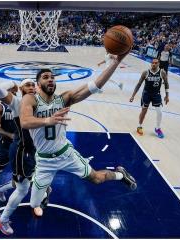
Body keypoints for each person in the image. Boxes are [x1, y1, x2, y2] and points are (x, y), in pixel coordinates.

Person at [20, 50, 137, 214]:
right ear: (38, 84)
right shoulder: (30, 99)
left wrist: (116, 62)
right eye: (46, 77)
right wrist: (48, 120)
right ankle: (46, 190)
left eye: (52, 77)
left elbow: (96, 85)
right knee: (33, 204)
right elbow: (25, 122)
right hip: (44, 161)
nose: (50, 79)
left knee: (96, 178)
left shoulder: (64, 98)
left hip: (66, 154)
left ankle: (120, 174)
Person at [0, 79, 51, 235]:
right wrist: (12, 84)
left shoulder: (38, 104)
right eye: (27, 85)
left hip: (32, 152)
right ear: (21, 89)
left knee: (23, 182)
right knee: (23, 189)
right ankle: (2, 220)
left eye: (33, 84)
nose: (31, 87)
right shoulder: (18, 103)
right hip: (21, 152)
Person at [129, 58, 169, 138]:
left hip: (156, 94)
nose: (154, 64)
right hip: (146, 94)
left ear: (158, 64)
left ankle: (157, 128)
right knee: (144, 111)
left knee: (160, 112)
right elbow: (139, 84)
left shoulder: (162, 72)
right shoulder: (146, 72)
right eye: (152, 63)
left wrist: (167, 95)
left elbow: (166, 83)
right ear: (151, 64)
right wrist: (133, 95)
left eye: (156, 63)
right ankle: (139, 126)